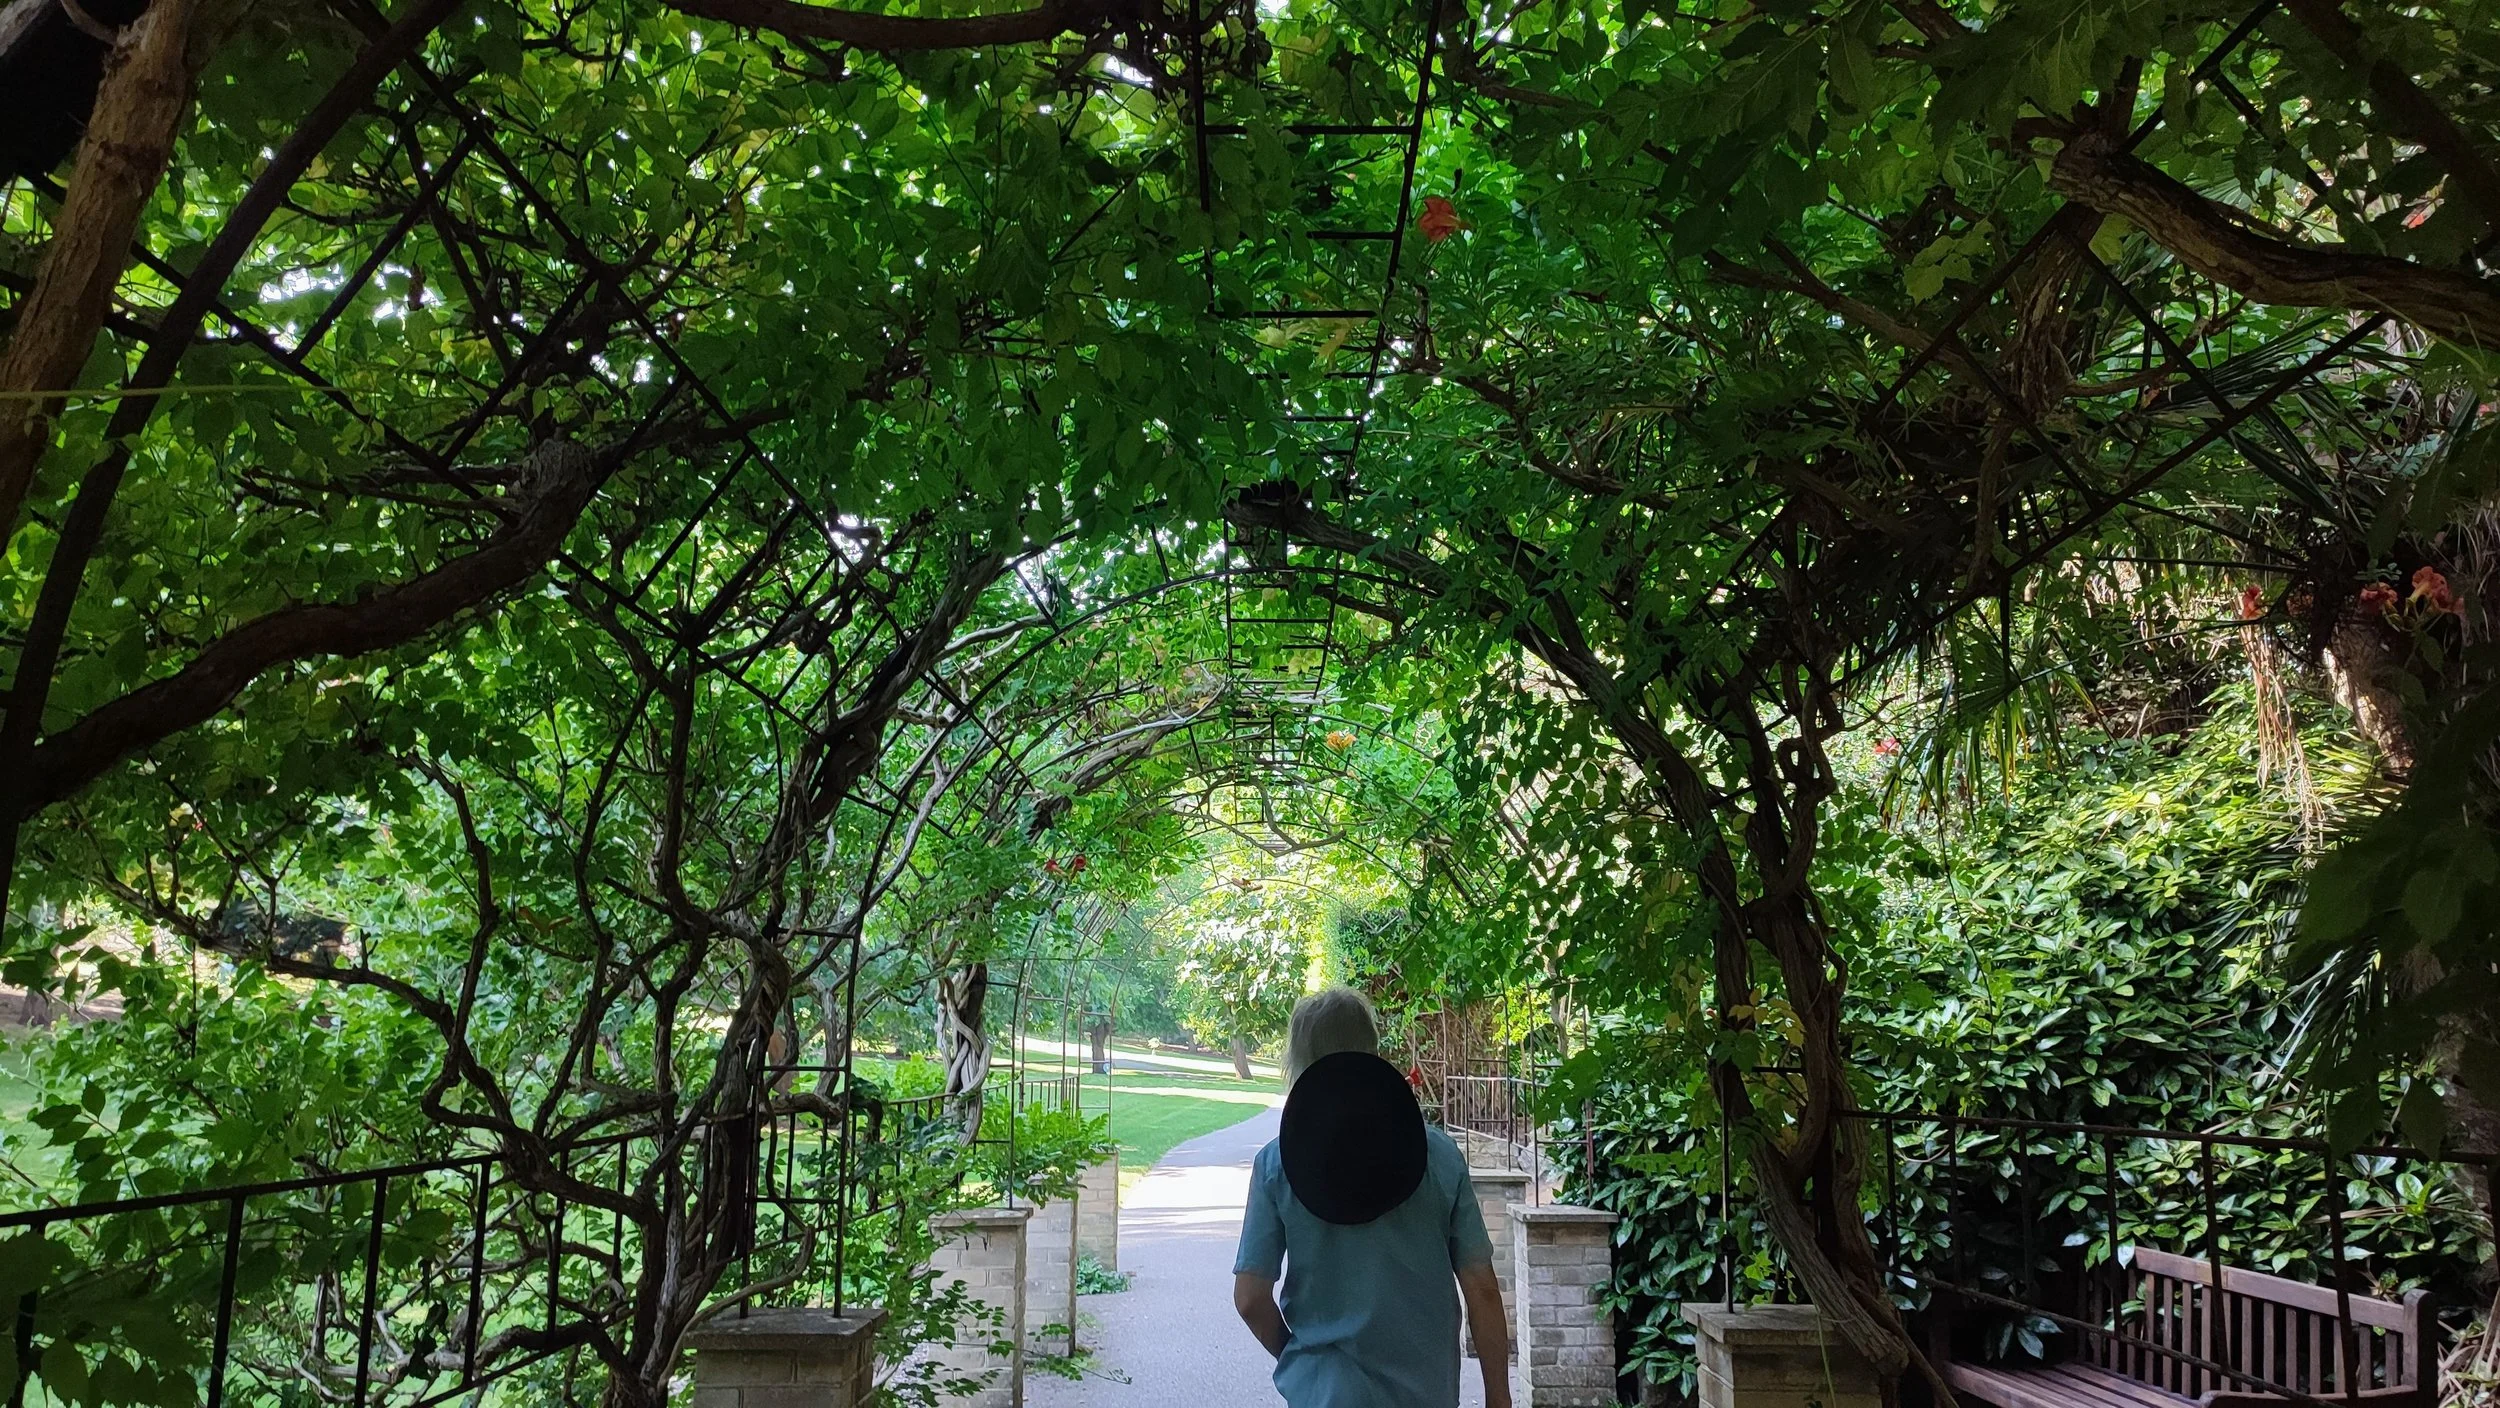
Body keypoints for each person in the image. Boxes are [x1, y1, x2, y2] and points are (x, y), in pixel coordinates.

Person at [1232, 987, 1513, 1408]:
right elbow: (1482, 1290)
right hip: (1426, 1392)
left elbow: (1250, 1298)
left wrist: (1301, 1360)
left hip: (1323, 1393)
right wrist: (1499, 1399)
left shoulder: (1276, 1165)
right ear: (1372, 1050)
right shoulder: (1437, 1155)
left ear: (1299, 1060)